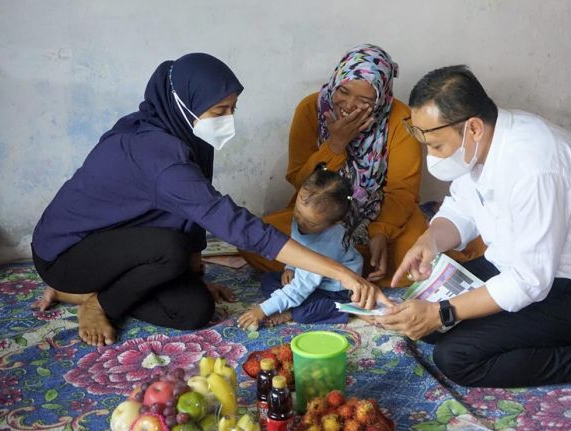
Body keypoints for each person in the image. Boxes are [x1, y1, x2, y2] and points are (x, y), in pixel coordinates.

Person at [31, 53, 388, 347]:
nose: (228, 120)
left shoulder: (188, 132)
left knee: (193, 309)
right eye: (219, 111)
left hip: (127, 242)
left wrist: (195, 268)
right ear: (184, 104)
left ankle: (91, 292)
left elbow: (195, 207)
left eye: (233, 108)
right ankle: (91, 299)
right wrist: (337, 269)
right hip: (68, 252)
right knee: (168, 249)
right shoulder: (154, 153)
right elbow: (232, 222)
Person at [376, 65, 571, 388]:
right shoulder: (481, 144)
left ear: (473, 128)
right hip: (520, 266)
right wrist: (430, 241)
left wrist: (442, 312)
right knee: (431, 326)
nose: (431, 154)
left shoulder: (533, 168)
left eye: (436, 145)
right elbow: (462, 206)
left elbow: (529, 281)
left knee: (456, 355)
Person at [240, 44, 485, 287]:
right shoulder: (310, 109)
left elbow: (401, 190)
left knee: (414, 258)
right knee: (254, 241)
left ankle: (328, 267)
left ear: (381, 99)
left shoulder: (400, 120)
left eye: (365, 100)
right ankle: (343, 266)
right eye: (344, 92)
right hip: (322, 213)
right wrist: (335, 145)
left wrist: (379, 232)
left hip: (381, 213)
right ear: (336, 80)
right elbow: (298, 180)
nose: (348, 105)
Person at [238, 164, 363, 329]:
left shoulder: (325, 246)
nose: (300, 223)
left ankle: (342, 310)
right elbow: (297, 247)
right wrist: (291, 266)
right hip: (310, 278)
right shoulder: (302, 219)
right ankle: (289, 304)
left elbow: (300, 289)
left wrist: (263, 309)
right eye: (297, 213)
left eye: (310, 223)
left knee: (304, 312)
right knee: (269, 280)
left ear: (333, 223)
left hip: (334, 289)